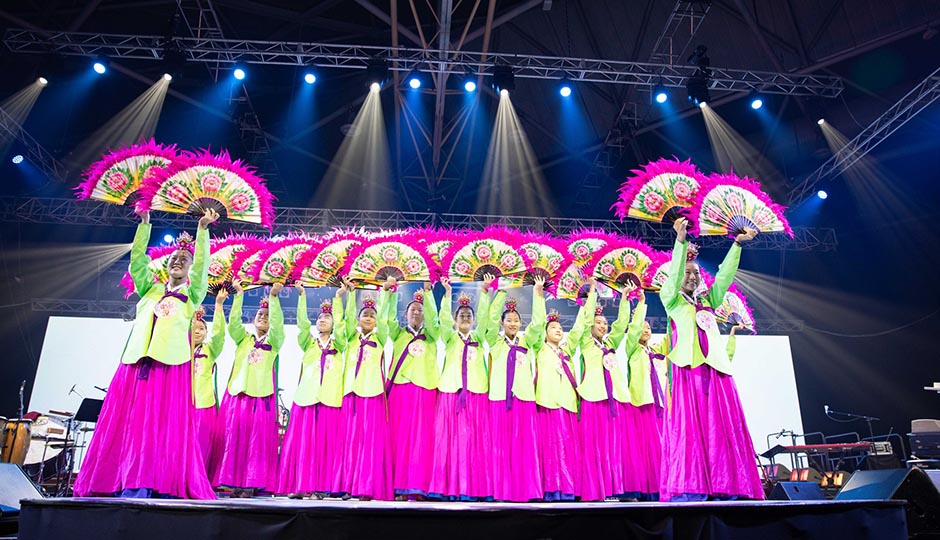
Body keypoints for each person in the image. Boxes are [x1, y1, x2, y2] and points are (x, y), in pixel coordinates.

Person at [74, 208, 219, 499]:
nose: (178, 261)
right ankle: (115, 479)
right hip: (136, 364)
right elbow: (137, 263)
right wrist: (144, 224)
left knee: (161, 426)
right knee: (128, 423)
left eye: (184, 260)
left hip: (170, 367)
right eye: (174, 258)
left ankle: (155, 481)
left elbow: (202, 268)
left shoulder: (192, 295)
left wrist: (202, 230)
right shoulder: (149, 290)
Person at [658, 217, 764, 501]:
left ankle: (727, 485)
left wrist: (737, 245)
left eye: (696, 273)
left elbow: (724, 277)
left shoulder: (709, 301)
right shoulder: (672, 300)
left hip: (715, 370)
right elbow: (673, 276)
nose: (692, 277)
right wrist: (680, 243)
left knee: (720, 429)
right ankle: (693, 487)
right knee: (692, 430)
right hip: (689, 370)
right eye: (688, 273)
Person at [276, 280, 350, 497]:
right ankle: (301, 486)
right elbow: (302, 324)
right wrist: (301, 296)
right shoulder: (308, 343)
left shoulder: (340, 344)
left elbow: (343, 327)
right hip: (307, 399)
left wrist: (338, 299)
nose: (322, 320)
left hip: (330, 399)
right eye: (319, 318)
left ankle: (324, 487)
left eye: (327, 317)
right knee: (304, 445)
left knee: (327, 446)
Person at [211, 281, 285, 497]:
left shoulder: (274, 342)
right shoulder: (243, 339)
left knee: (257, 443)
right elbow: (233, 323)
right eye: (260, 315)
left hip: (261, 397)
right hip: (238, 395)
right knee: (235, 440)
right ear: (253, 319)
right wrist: (239, 295)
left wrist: (273, 298)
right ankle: (233, 482)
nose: (263, 317)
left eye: (267, 315)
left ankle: (252, 483)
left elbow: (278, 326)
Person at [428, 276, 495, 501]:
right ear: (456, 320)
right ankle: (448, 487)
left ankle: (473, 488)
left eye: (469, 316)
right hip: (451, 392)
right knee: (449, 442)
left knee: (474, 442)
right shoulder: (449, 338)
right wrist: (447, 294)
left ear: (473, 321)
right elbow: (443, 320)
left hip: (476, 393)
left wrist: (484, 292)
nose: (465, 318)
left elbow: (485, 319)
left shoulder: (479, 338)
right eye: (461, 316)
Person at [485, 276, 546, 502]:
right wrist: (500, 291)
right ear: (502, 324)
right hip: (500, 399)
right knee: (500, 447)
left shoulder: (526, 342)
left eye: (516, 320)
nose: (512, 323)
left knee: (524, 447)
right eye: (508, 320)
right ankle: (501, 491)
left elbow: (538, 324)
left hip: (523, 398)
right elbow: (490, 320)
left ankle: (526, 491)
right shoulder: (494, 342)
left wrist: (538, 294)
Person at [575, 277, 634, 501]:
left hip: (613, 399)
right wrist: (592, 293)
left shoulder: (609, 344)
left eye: (604, 323)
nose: (603, 326)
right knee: (594, 447)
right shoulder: (585, 342)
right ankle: (594, 491)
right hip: (593, 398)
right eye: (598, 323)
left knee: (613, 446)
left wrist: (625, 299)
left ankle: (613, 489)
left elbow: (621, 325)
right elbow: (584, 321)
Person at [385, 280, 440, 499]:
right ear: (405, 314)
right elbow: (387, 319)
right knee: (398, 438)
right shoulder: (398, 334)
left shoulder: (432, 335)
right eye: (412, 310)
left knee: (422, 439)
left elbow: (435, 321)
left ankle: (419, 486)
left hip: (425, 389)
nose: (416, 313)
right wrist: (389, 293)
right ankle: (396, 486)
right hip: (400, 389)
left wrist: (428, 293)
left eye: (420, 310)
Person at [339, 281, 392, 500]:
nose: (369, 317)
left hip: (372, 394)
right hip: (351, 393)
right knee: (350, 440)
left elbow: (385, 318)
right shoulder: (351, 339)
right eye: (365, 314)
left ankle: (366, 487)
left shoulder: (380, 338)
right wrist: (350, 294)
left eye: (372, 315)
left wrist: (385, 293)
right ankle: (347, 486)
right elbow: (347, 319)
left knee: (369, 442)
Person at [533, 303, 587, 501]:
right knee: (549, 447)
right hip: (547, 404)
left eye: (560, 328)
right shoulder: (539, 347)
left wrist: (588, 300)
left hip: (568, 404)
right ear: (545, 332)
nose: (558, 330)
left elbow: (579, 327)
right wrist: (539, 296)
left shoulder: (567, 349)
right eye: (553, 327)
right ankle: (549, 490)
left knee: (568, 448)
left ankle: (569, 489)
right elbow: (537, 324)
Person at [621, 288, 662, 500]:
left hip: (659, 404)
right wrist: (641, 303)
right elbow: (635, 328)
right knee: (643, 448)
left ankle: (663, 486)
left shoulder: (655, 351)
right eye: (642, 327)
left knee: (661, 447)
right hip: (640, 403)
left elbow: (673, 337)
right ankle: (645, 489)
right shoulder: (633, 349)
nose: (645, 329)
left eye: (648, 327)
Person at [191, 291, 228, 471]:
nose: (197, 331)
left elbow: (219, 335)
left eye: (201, 329)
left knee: (200, 445)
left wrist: (219, 305)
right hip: (179, 403)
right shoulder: (178, 350)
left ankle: (199, 477)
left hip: (203, 404)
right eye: (194, 327)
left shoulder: (209, 350)